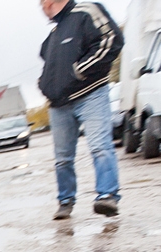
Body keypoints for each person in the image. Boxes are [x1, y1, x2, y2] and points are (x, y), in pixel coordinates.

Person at [38, 0, 124, 220]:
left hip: (91, 95)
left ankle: (107, 196)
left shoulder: (86, 12)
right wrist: (45, 84)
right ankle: (65, 201)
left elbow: (112, 40)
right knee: (62, 158)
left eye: (41, 3)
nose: (41, 7)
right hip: (59, 104)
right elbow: (48, 65)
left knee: (100, 147)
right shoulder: (54, 34)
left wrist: (78, 71)